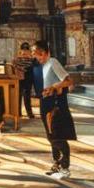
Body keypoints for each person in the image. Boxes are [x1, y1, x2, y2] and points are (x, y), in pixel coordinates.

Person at [33, 40, 76, 179]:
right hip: (45, 103)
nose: (36, 58)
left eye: (37, 55)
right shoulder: (43, 66)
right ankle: (57, 164)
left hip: (55, 105)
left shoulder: (53, 62)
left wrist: (54, 87)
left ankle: (65, 167)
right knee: (50, 136)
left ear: (44, 53)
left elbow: (69, 81)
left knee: (57, 136)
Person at [13, 42, 38, 119]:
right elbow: (14, 67)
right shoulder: (16, 59)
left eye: (26, 50)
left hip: (28, 79)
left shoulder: (32, 59)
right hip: (19, 79)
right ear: (20, 50)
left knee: (27, 97)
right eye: (23, 50)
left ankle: (29, 113)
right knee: (18, 96)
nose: (25, 51)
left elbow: (35, 68)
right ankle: (18, 113)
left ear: (29, 51)